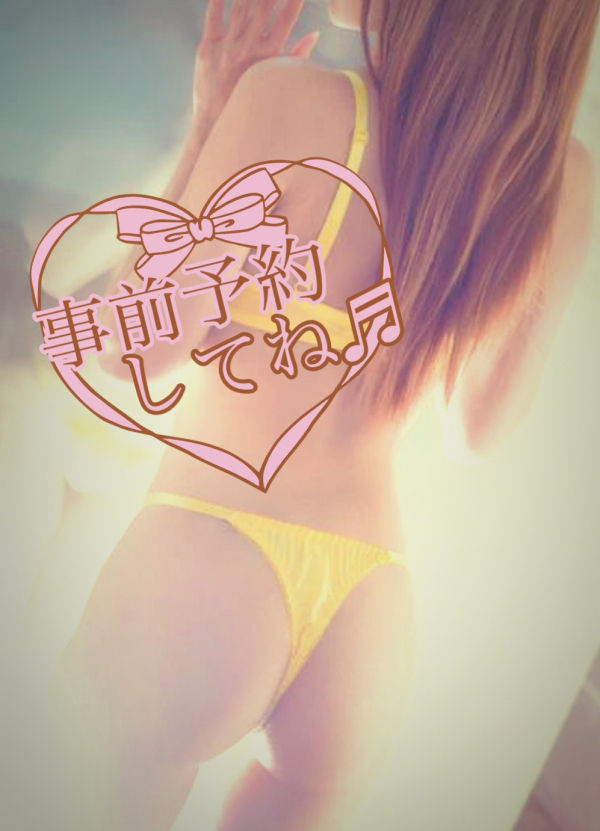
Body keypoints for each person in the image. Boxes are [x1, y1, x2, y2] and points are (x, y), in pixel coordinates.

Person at [43, 1, 598, 830]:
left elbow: (136, 351)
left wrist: (210, 129)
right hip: (367, 614)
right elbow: (479, 429)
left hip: (210, 558)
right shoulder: (559, 180)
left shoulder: (290, 100)